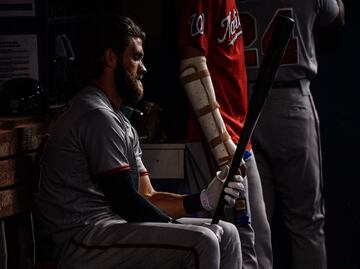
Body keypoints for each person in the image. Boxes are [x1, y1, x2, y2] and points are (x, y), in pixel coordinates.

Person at [33, 15, 245, 269]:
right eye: (135, 57)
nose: (143, 68)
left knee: (227, 234)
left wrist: (204, 200)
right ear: (110, 58)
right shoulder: (95, 114)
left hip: (111, 229)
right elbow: (128, 203)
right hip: (81, 238)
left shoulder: (116, 117)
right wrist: (174, 229)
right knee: (203, 241)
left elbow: (147, 196)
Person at [238, 0, 345, 268]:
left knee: (255, 225)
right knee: (306, 221)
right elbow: (336, 17)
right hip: (291, 99)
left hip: (244, 104)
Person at [175, 1, 273, 268]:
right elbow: (191, 67)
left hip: (239, 135)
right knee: (241, 249)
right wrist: (221, 147)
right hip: (219, 141)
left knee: (257, 248)